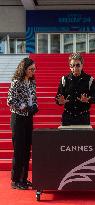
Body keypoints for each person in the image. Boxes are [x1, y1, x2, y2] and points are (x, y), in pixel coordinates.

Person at [7, 57, 38, 190]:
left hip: (28, 118)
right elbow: (10, 101)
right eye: (31, 69)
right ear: (24, 69)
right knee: (19, 150)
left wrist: (35, 106)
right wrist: (24, 106)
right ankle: (15, 180)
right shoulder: (16, 82)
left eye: (34, 69)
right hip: (18, 118)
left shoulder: (32, 82)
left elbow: (34, 98)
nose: (33, 71)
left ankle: (24, 178)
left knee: (27, 150)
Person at [55, 52, 95, 126]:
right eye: (72, 65)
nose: (75, 68)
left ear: (82, 65)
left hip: (83, 117)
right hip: (67, 117)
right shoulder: (64, 79)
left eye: (78, 65)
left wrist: (88, 99)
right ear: (70, 66)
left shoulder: (90, 80)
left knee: (83, 138)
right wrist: (60, 101)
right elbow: (57, 98)